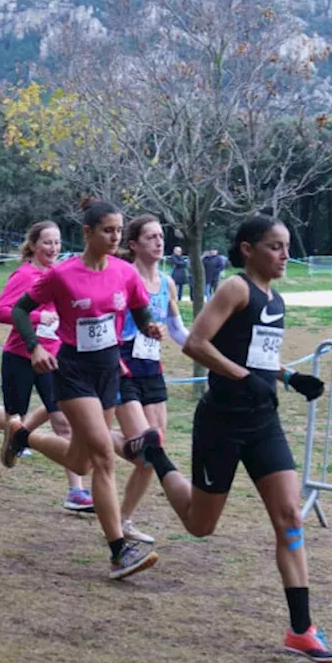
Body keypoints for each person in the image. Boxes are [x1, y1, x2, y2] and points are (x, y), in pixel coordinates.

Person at [147, 215, 332, 663]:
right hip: (222, 421)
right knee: (200, 525)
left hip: (263, 421)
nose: (285, 255)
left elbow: (258, 358)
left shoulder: (277, 299)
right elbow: (195, 343)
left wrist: (290, 377)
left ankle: (301, 629)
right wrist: (241, 377)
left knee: (290, 516)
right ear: (247, 248)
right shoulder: (235, 289)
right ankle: (155, 454)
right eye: (275, 247)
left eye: (287, 246)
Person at [3, 198, 166, 580]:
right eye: (108, 230)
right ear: (88, 232)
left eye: (119, 231)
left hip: (109, 370)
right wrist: (36, 347)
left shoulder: (125, 273)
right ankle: (118, 551)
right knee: (103, 460)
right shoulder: (62, 274)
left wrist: (149, 327)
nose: (115, 237)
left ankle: (22, 434)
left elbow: (140, 311)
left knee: (81, 461)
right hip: (72, 371)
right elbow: (19, 310)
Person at [0, 221, 94, 513]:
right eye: (47, 242)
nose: (54, 248)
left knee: (63, 422)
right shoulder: (24, 275)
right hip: (20, 357)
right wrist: (35, 318)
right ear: (33, 245)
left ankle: (76, 491)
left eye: (58, 243)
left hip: (54, 358)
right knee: (14, 417)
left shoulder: (59, 276)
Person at [110, 215, 190, 544]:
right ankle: (96, 437)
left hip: (152, 368)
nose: (159, 242)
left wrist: (209, 348)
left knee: (153, 449)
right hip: (122, 365)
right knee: (146, 446)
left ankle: (123, 520)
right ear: (133, 244)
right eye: (151, 237)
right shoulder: (124, 277)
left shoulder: (168, 283)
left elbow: (177, 330)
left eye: (161, 236)